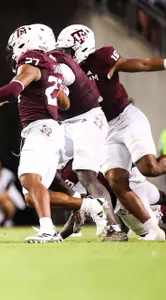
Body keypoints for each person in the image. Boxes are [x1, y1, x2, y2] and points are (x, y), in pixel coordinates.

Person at [0, 24, 107, 243]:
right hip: (52, 130)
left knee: (29, 179)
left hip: (40, 128)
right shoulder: (52, 65)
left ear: (27, 43)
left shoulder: (32, 58)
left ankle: (47, 229)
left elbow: (15, 89)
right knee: (32, 196)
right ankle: (89, 205)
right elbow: (65, 103)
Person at [56, 24, 166, 240]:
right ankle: (154, 230)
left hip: (126, 119)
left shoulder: (103, 58)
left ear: (82, 47)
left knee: (150, 168)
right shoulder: (66, 70)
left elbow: (141, 63)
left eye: (69, 50)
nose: (65, 55)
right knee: (116, 180)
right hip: (103, 129)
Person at [32, 24, 126, 241]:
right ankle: (80, 211)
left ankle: (114, 229)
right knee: (45, 168)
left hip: (87, 121)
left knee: (86, 175)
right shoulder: (55, 62)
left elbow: (61, 101)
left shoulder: (61, 65)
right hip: (69, 124)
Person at [59, 160, 166, 240]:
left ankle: (157, 212)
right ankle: (156, 209)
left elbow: (79, 215)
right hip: (136, 179)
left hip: (126, 199)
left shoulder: (68, 174)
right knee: (161, 197)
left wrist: (59, 237)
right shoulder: (84, 153)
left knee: (153, 232)